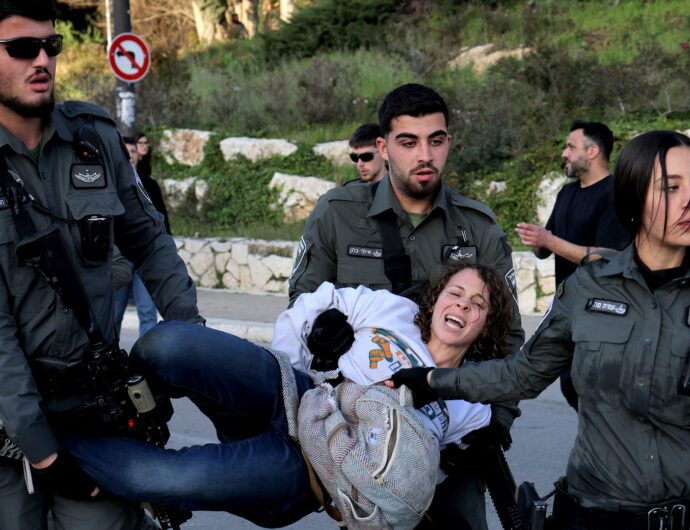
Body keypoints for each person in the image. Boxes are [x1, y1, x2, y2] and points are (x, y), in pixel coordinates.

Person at [392, 130, 690, 530]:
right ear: (633, 198)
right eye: (671, 187)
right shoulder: (588, 287)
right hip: (592, 517)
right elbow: (523, 374)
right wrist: (432, 380)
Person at [62, 262, 512, 528]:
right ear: (437, 298)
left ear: (487, 324)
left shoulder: (471, 404)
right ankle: (108, 407)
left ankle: (51, 447)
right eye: (456, 292)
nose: (463, 305)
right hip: (292, 392)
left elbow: (414, 484)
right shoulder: (394, 311)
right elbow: (316, 302)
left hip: (311, 473)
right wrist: (298, 359)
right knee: (169, 343)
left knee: (166, 479)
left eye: (478, 304)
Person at [0, 1, 202, 529]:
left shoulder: (94, 137)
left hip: (94, 409)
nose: (41, 60)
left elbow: (150, 242)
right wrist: (43, 454)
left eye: (51, 46)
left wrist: (191, 341)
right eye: (22, 48)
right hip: (9, 426)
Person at [289, 82, 524, 529]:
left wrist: (496, 425)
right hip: (362, 427)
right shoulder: (338, 213)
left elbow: (509, 339)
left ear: (449, 142)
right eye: (408, 142)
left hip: (452, 428)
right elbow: (301, 302)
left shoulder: (479, 229)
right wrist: (322, 329)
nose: (425, 155)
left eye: (436, 141)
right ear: (383, 147)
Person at [515, 120, 630, 410]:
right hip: (568, 309)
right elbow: (547, 248)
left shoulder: (615, 193)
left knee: (590, 388)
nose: (564, 153)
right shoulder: (567, 193)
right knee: (570, 385)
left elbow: (608, 256)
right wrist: (537, 240)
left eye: (570, 147)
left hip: (603, 311)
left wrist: (549, 240)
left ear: (592, 151)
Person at [114, 137, 163, 337]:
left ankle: (146, 355)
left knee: (148, 313)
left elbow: (162, 220)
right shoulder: (109, 185)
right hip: (119, 258)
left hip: (146, 257)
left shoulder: (149, 184)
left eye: (133, 152)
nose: (130, 156)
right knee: (113, 315)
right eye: (125, 152)